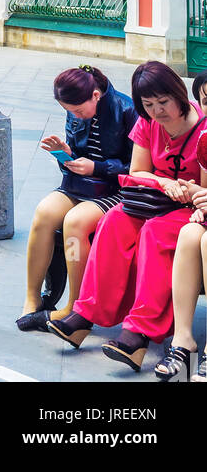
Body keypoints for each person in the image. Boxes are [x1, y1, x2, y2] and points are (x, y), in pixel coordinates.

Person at [49, 61, 207, 370]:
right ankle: (86, 314)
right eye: (148, 105)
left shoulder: (202, 127)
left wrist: (184, 191)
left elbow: (204, 192)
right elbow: (137, 172)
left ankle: (139, 332)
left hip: (186, 208)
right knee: (114, 221)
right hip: (152, 200)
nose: (157, 111)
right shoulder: (147, 122)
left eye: (163, 102)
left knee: (154, 234)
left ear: (178, 94)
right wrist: (164, 182)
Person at [17, 65, 137, 333]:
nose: (75, 116)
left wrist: (98, 167)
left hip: (113, 190)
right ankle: (33, 297)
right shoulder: (75, 111)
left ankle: (75, 307)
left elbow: (137, 166)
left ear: (96, 95)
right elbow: (76, 159)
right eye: (69, 112)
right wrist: (65, 155)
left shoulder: (127, 110)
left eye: (79, 111)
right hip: (80, 185)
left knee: (74, 223)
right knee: (43, 213)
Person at [152, 72, 207, 381]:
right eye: (206, 102)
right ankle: (183, 340)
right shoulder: (206, 140)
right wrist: (199, 203)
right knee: (189, 233)